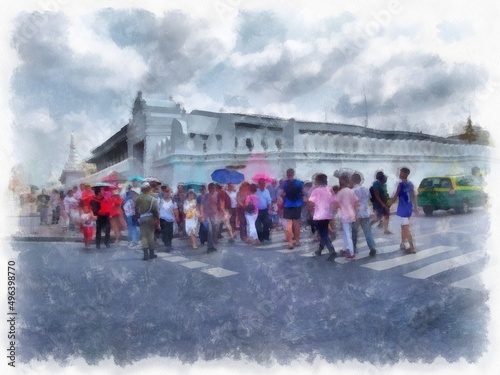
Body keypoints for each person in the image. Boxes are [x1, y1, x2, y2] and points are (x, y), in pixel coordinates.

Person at [308, 173, 337, 261]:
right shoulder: (329, 190)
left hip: (319, 215)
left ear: (318, 181)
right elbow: (333, 201)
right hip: (327, 214)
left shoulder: (316, 190)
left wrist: (310, 211)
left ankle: (332, 251)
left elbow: (311, 202)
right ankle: (320, 249)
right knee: (323, 232)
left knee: (323, 233)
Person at [389, 167, 419, 254]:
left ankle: (412, 247)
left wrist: (387, 206)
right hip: (409, 208)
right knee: (403, 226)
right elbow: (413, 196)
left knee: (406, 227)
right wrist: (415, 207)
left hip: (403, 208)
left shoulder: (400, 185)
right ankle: (402, 243)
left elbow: (395, 197)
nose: (399, 174)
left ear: (404, 174)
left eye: (400, 172)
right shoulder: (410, 184)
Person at [351, 173, 377, 257]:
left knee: (354, 232)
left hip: (356, 214)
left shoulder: (353, 191)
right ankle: (372, 247)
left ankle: (353, 248)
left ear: (353, 180)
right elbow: (368, 199)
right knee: (367, 231)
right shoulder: (366, 188)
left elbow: (353, 203)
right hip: (365, 212)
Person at [335, 173, 359, 260]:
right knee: (346, 232)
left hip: (344, 214)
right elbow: (356, 202)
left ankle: (351, 252)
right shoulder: (351, 191)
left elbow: (336, 203)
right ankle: (344, 248)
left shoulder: (340, 192)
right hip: (352, 213)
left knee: (347, 233)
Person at [280, 168, 304, 250]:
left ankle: (290, 243)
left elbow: (280, 193)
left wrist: (284, 196)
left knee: (289, 224)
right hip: (297, 204)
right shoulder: (299, 182)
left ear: (287, 174)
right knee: (297, 224)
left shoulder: (284, 183)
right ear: (293, 174)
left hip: (288, 205)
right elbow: (303, 193)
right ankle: (297, 241)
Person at [135, 182, 160, 260]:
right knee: (151, 235)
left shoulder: (138, 198)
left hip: (142, 218)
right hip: (151, 218)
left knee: (144, 236)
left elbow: (136, 209)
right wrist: (157, 219)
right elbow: (156, 210)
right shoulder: (152, 199)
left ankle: (145, 254)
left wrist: (137, 218)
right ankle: (151, 253)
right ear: (149, 189)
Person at [199, 183, 221, 253]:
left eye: (213, 188)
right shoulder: (205, 196)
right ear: (209, 189)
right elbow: (201, 206)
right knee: (210, 230)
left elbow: (219, 205)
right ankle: (210, 246)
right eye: (211, 188)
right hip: (207, 215)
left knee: (216, 229)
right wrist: (202, 215)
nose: (213, 189)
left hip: (215, 215)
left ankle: (213, 243)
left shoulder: (217, 195)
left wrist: (221, 213)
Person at [159, 186, 180, 252]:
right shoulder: (160, 201)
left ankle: (169, 243)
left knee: (170, 233)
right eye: (165, 192)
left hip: (170, 219)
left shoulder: (172, 202)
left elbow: (175, 209)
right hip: (163, 219)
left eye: (168, 192)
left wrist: (177, 217)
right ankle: (167, 244)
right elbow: (157, 210)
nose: (167, 194)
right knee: (165, 232)